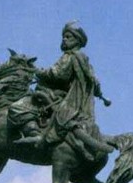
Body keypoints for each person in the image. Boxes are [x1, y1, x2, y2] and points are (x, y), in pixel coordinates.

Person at [9, 22, 114, 160]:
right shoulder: (85, 61)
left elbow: (58, 74)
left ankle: (34, 134)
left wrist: (36, 71)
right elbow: (95, 82)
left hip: (58, 97)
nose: (64, 39)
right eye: (63, 37)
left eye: (68, 37)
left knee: (17, 107)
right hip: (71, 101)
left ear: (77, 40)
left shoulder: (70, 56)